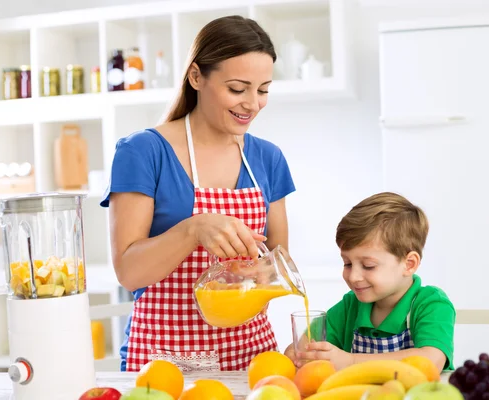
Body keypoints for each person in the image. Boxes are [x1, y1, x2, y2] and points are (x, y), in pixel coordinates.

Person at [100, 15, 296, 373]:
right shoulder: (143, 152)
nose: (253, 104)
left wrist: (251, 271)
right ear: (196, 77)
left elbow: (278, 262)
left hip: (251, 357)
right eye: (238, 89)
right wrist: (193, 229)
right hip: (167, 362)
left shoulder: (268, 158)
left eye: (263, 89)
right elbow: (128, 272)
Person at [285, 192, 455, 372]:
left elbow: (430, 361)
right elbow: (301, 349)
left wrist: (350, 361)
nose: (353, 277)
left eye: (368, 266)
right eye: (347, 263)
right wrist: (298, 355)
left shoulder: (431, 304)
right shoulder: (350, 306)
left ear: (409, 264)